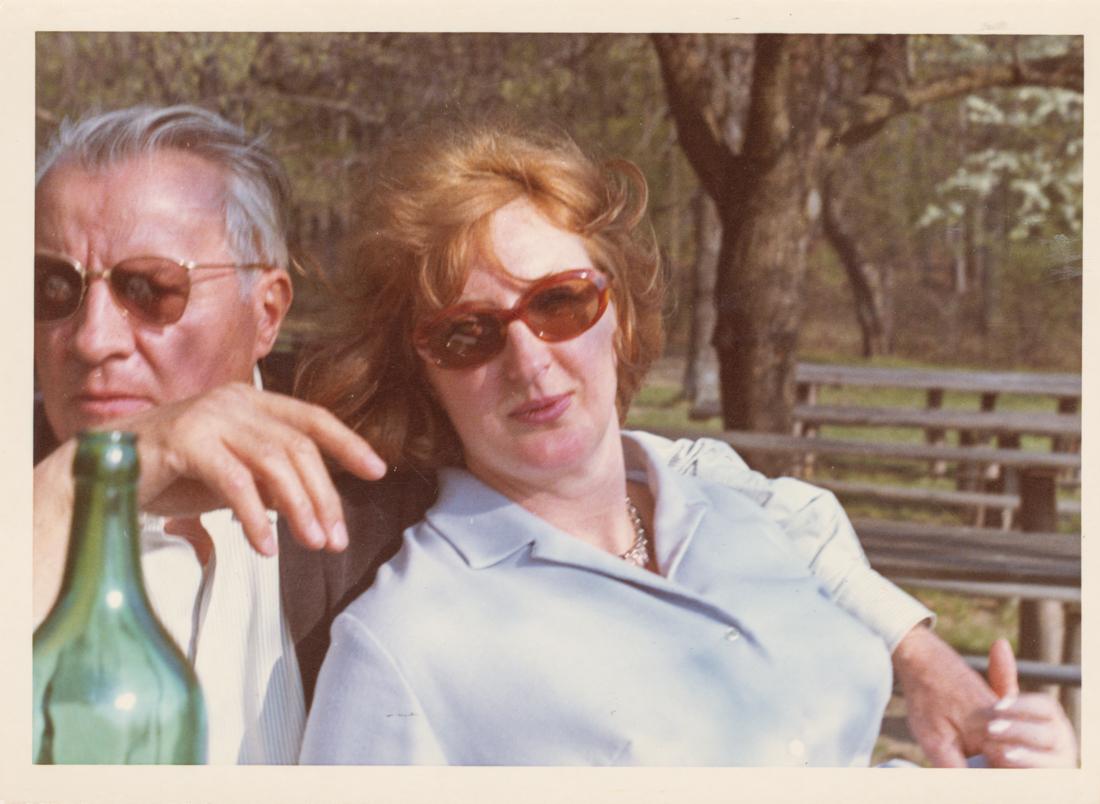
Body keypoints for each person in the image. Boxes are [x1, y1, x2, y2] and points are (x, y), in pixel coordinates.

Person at [30, 104, 1016, 766]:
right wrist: (97, 478)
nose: (94, 338)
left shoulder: (359, 489)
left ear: (269, 307)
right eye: (52, 288)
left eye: (149, 289)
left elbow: (713, 486)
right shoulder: (409, 623)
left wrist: (919, 654)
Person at [297, 118, 1077, 767]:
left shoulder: (745, 510)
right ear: (420, 372)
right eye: (467, 334)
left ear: (620, 317)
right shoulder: (407, 643)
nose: (529, 359)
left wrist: (1002, 764)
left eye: (561, 302)